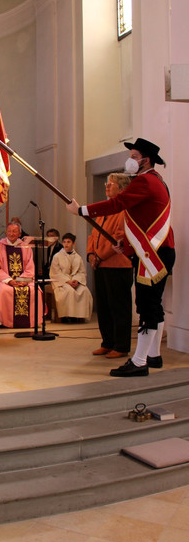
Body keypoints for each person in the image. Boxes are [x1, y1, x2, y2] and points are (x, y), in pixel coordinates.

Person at [67, 137, 175, 377]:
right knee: (154, 305)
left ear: (146, 161)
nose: (130, 160)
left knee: (147, 306)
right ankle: (153, 356)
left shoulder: (145, 182)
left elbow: (118, 204)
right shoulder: (157, 182)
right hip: (157, 250)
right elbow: (143, 222)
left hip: (152, 254)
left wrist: (82, 210)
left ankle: (139, 362)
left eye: (135, 156)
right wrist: (126, 246)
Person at [87, 172, 133, 360]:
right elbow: (93, 235)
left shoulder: (124, 211)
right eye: (107, 183)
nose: (107, 186)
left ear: (122, 189)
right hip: (101, 265)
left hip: (118, 266)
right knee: (104, 306)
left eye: (111, 184)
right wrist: (91, 254)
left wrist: (99, 256)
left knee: (118, 307)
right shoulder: (105, 210)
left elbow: (119, 239)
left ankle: (121, 345)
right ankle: (107, 342)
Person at [0, 219, 43, 328]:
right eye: (9, 231)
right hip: (3, 281)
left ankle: (32, 321)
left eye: (14, 231)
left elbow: (30, 267)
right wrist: (9, 280)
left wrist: (22, 281)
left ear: (19, 233)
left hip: (22, 282)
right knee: (3, 291)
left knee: (35, 290)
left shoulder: (25, 247)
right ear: (6, 232)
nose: (11, 234)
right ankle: (0, 321)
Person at [50, 233, 93, 322]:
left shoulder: (78, 257)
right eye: (64, 242)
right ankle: (66, 316)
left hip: (75, 281)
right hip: (62, 282)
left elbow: (82, 272)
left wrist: (76, 280)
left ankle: (78, 316)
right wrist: (68, 281)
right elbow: (55, 272)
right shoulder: (57, 256)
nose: (66, 244)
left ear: (73, 244)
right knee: (69, 291)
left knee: (84, 291)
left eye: (69, 242)